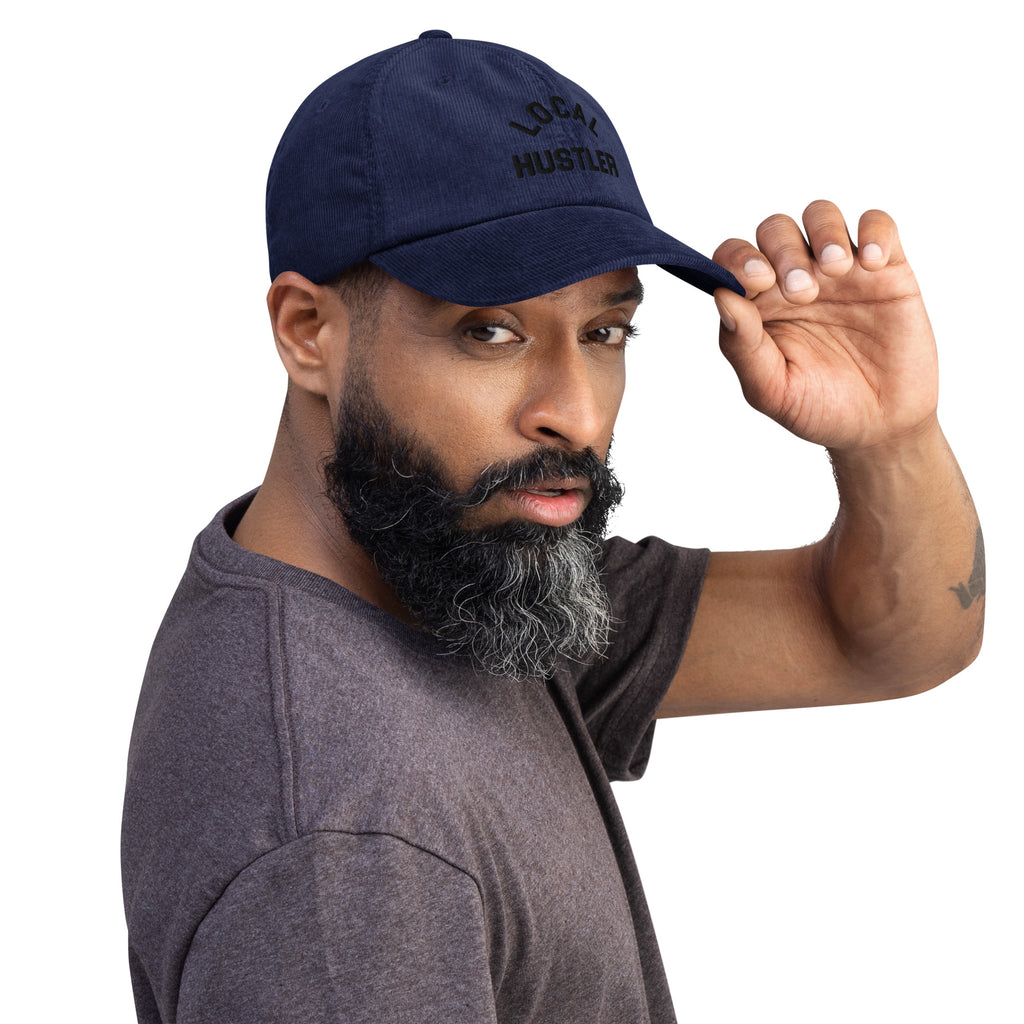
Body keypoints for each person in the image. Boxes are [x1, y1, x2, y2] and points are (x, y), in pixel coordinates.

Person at [121, 29, 984, 1024]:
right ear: (308, 332)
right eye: (490, 331)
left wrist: (890, 436)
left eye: (605, 330)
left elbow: (878, 638)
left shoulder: (454, 574)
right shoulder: (345, 854)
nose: (575, 412)